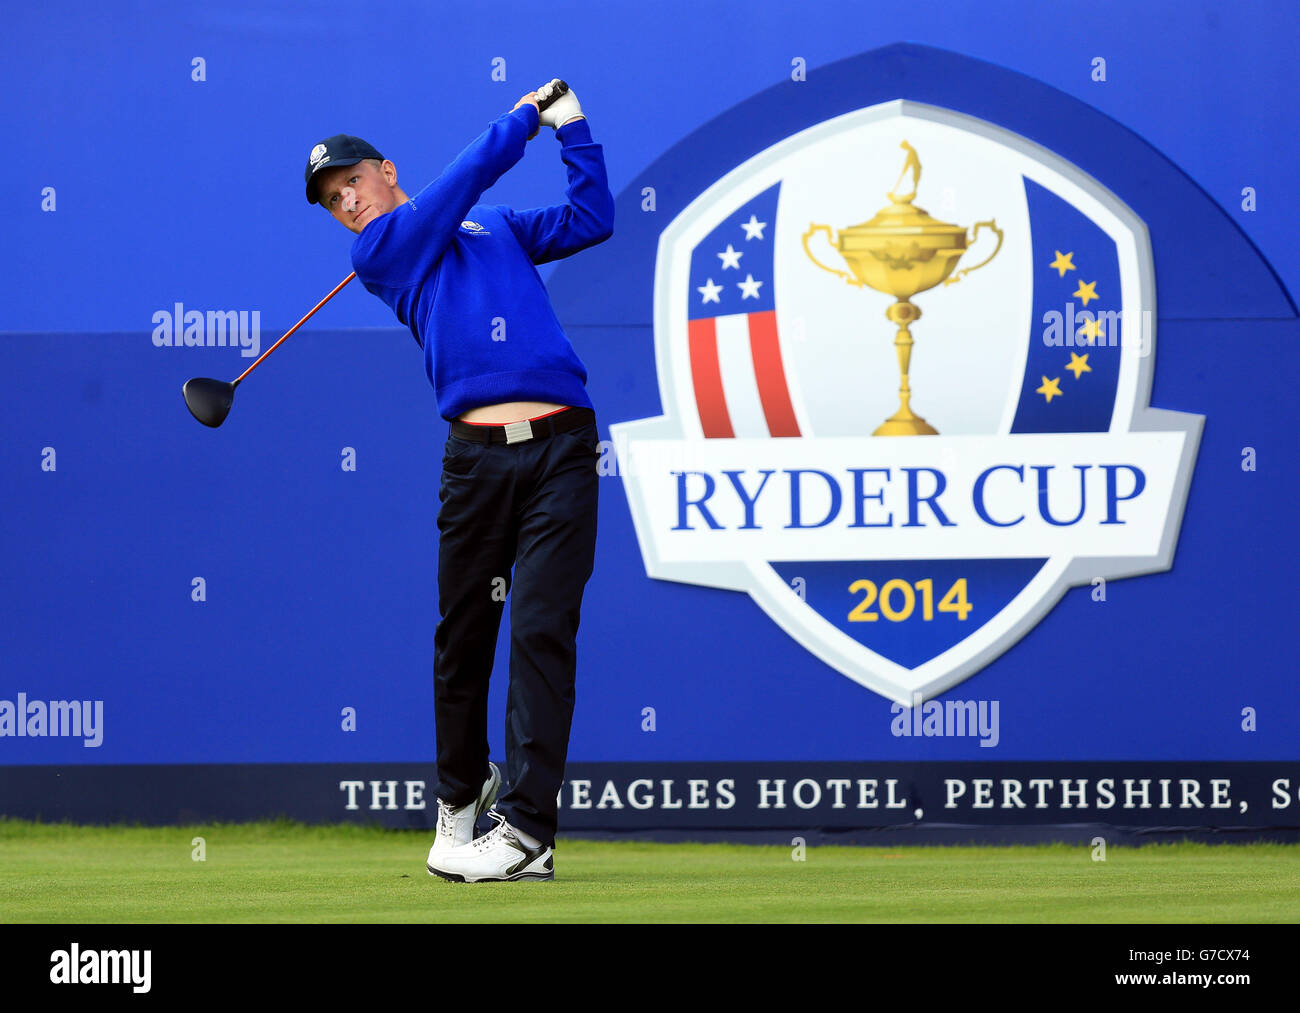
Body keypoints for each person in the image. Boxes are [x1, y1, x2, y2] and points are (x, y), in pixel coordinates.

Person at [303, 80, 614, 882]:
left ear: (385, 170)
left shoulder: (496, 227)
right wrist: (521, 118)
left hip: (562, 447)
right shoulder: (378, 254)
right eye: (333, 200)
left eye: (352, 185)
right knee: (464, 638)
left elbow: (591, 219)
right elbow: (464, 180)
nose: (346, 204)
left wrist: (572, 126)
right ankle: (458, 793)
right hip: (476, 462)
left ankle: (527, 832)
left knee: (543, 628)